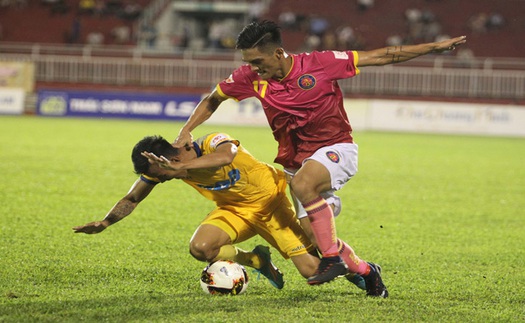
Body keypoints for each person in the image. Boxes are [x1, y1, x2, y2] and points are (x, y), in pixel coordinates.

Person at [174, 20, 467, 297]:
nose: (252, 68)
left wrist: (432, 47)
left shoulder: (320, 63)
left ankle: (331, 258)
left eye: (257, 61)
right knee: (314, 237)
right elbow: (214, 98)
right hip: (295, 164)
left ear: (278, 53)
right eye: (249, 62)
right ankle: (367, 272)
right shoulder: (250, 78)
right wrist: (186, 130)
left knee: (305, 189)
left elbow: (381, 56)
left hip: (336, 149)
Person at [72, 132, 366, 291]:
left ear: (170, 158)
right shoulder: (164, 169)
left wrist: (182, 169)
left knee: (313, 270)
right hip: (235, 211)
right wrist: (106, 222)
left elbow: (226, 155)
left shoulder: (210, 141)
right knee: (200, 248)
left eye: (160, 173)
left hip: (273, 206)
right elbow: (133, 197)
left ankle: (361, 271)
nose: (159, 179)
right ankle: (256, 259)